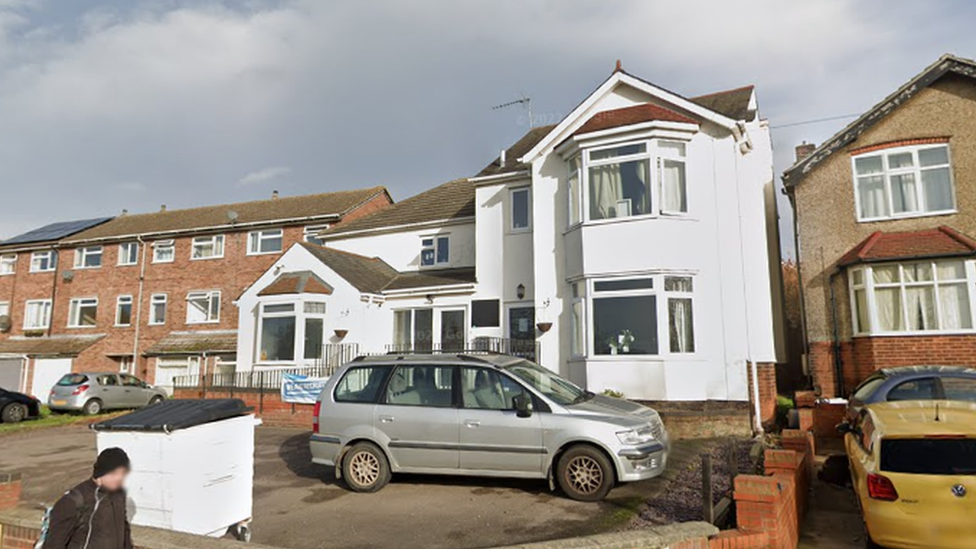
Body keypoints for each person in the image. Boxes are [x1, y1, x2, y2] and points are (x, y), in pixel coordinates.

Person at [44, 447, 133, 549]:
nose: (119, 478)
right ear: (101, 472)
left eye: (122, 473)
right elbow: (54, 544)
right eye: (114, 474)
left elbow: (124, 529)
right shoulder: (72, 502)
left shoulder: (119, 494)